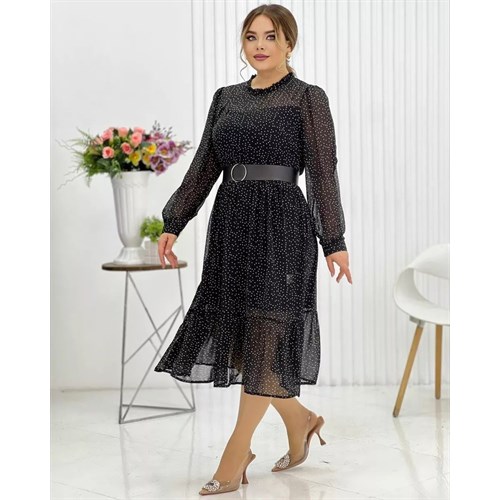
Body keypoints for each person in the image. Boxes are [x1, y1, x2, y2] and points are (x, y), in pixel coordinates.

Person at [154, 3, 352, 496]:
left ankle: (236, 452)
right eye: (250, 37)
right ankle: (300, 419)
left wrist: (334, 240)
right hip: (232, 223)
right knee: (246, 343)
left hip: (283, 224)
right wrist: (174, 221)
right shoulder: (226, 99)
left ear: (289, 44)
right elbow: (204, 166)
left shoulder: (308, 98)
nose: (259, 46)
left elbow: (323, 171)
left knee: (266, 334)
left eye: (270, 36)